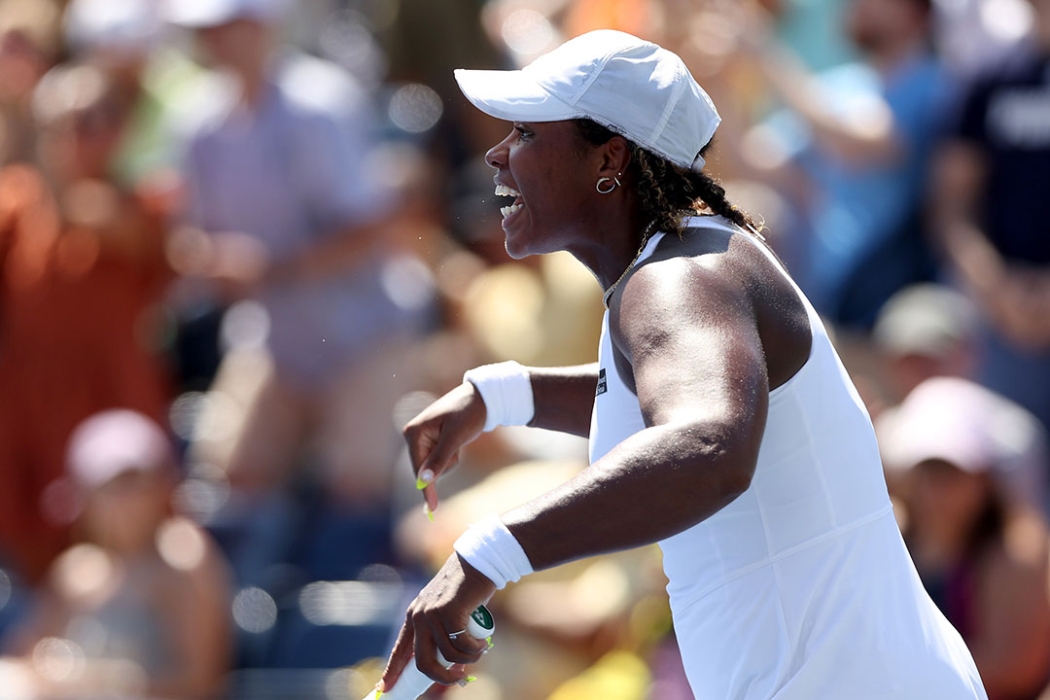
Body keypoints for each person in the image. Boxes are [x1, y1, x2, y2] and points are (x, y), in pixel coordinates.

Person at [376, 30, 987, 699]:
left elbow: (707, 444)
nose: (496, 153)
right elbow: (662, 397)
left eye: (525, 133)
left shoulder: (677, 280)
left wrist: (484, 556)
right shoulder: (681, 267)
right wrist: (501, 396)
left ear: (609, 157)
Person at [0, 409, 232, 699]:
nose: (126, 501)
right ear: (84, 498)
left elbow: (202, 682)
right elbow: (26, 658)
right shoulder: (74, 572)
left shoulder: (184, 557)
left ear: (162, 486)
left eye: (135, 483)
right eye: (111, 487)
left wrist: (112, 685)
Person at [879, 377, 1050, 700]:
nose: (935, 491)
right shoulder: (894, 534)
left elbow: (1016, 669)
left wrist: (895, 665)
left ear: (983, 480)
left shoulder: (1017, 551)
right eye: (926, 471)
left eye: (951, 473)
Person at [931, 0, 1050, 436]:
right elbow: (953, 204)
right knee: (1007, 455)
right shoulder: (991, 80)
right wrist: (994, 285)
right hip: (1003, 316)